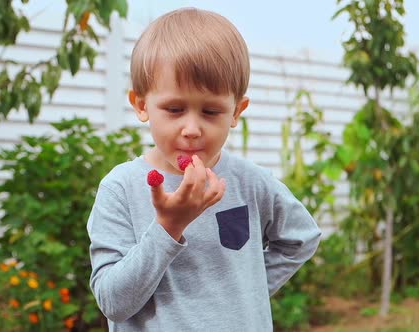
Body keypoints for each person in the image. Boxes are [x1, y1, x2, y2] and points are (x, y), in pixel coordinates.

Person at [86, 7, 321, 331]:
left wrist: (242, 295)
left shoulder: (250, 182)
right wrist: (168, 227)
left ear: (236, 111)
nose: (192, 128)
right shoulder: (121, 188)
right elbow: (114, 302)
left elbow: (301, 238)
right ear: (142, 105)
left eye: (211, 111)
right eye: (174, 109)